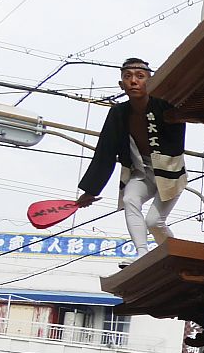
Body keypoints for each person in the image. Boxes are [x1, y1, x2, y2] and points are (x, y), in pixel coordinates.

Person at [76, 58, 186, 259]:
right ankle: (141, 253)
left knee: (154, 222)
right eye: (128, 77)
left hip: (170, 173)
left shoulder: (166, 107)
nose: (134, 81)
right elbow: (105, 151)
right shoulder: (118, 113)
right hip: (141, 172)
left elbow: (183, 121)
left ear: (150, 82)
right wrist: (90, 191)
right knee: (129, 199)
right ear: (121, 84)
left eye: (140, 76)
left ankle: (176, 256)